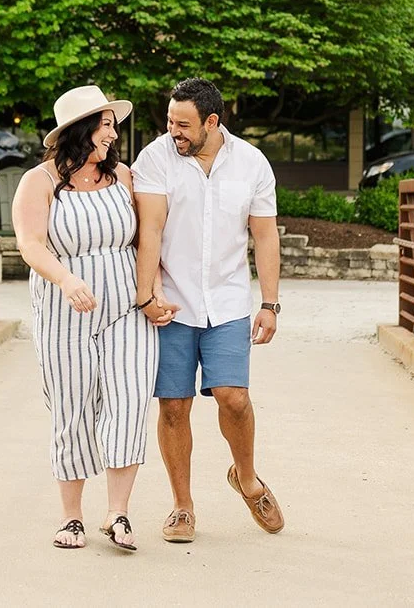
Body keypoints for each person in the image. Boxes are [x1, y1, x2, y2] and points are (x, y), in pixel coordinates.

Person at [11, 85, 167, 552]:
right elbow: (31, 244)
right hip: (65, 310)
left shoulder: (122, 175)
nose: (113, 134)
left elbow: (148, 238)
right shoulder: (37, 182)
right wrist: (66, 280)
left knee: (129, 400)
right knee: (72, 408)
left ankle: (118, 514)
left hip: (125, 309)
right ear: (82, 131)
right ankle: (71, 517)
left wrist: (153, 293)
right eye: (105, 126)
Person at [133, 77, 284, 544]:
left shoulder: (252, 162)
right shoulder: (155, 158)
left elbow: (264, 235)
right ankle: (182, 506)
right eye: (169, 121)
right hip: (173, 303)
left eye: (183, 124)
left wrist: (270, 303)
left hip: (230, 300)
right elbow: (150, 232)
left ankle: (247, 476)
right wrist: (146, 297)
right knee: (174, 406)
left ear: (212, 122)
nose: (172, 131)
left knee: (233, 397)